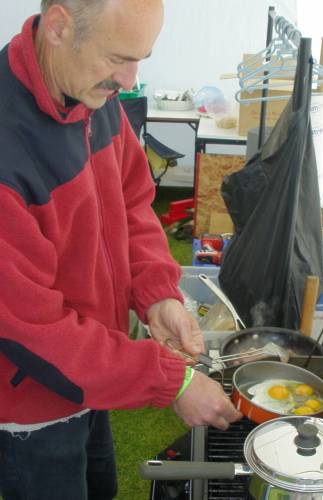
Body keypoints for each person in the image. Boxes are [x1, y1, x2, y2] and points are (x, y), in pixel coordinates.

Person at [0, 0, 242, 498]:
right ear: (61, 27)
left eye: (141, 58)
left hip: (98, 375)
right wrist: (169, 382)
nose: (129, 81)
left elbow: (132, 202)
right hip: (32, 408)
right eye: (118, 58)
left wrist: (158, 294)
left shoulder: (91, 89)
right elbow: (35, 331)